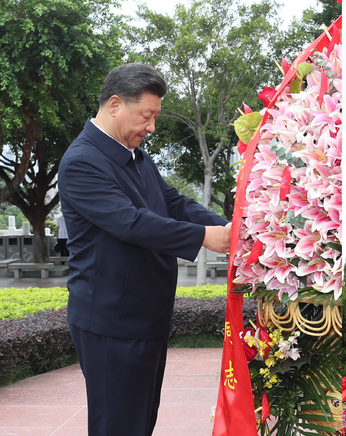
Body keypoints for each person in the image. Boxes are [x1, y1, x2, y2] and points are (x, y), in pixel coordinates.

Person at [58, 62, 231, 435]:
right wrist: (204, 237)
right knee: (117, 426)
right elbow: (130, 222)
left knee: (138, 422)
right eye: (147, 115)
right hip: (112, 322)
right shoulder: (82, 162)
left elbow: (171, 201)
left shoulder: (134, 154)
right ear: (116, 104)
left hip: (145, 315)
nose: (151, 127)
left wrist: (228, 228)